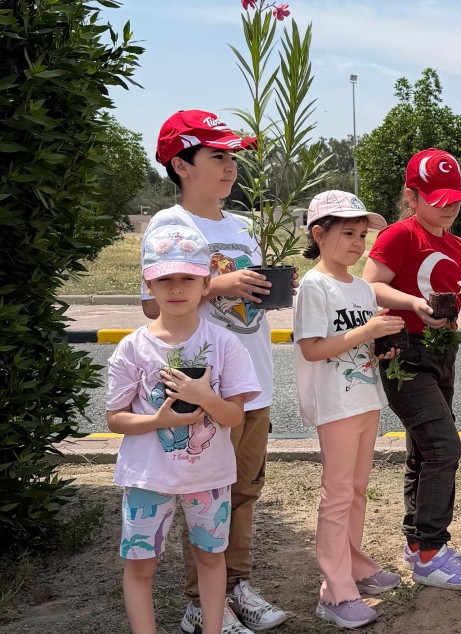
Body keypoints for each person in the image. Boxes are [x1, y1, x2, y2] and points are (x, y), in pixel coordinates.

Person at [143, 110, 289, 632]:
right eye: (216, 155)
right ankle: (200, 603)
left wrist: (262, 294)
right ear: (181, 164)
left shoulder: (243, 228)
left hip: (253, 378)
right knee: (204, 490)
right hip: (200, 381)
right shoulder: (168, 226)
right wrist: (216, 288)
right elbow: (150, 305)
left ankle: (233, 586)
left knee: (244, 488)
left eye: (232, 156)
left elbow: (244, 308)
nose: (230, 166)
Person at [363, 149, 461, 590]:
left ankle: (418, 543)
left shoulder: (460, 247)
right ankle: (431, 553)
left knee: (424, 450)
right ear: (412, 197)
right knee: (445, 448)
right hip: (403, 353)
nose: (448, 208)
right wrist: (413, 303)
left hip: (442, 353)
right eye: (437, 199)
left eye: (454, 201)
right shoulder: (400, 236)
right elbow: (369, 283)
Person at [108, 225, 261, 634]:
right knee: (140, 564)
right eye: (165, 279)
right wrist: (159, 421)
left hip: (207, 477)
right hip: (147, 476)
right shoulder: (132, 347)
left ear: (205, 283)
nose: (176, 289)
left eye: (187, 278)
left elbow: (232, 417)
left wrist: (203, 395)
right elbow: (115, 418)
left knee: (211, 558)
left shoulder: (226, 344)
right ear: (149, 284)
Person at [294, 191, 404, 627]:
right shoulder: (314, 286)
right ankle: (334, 591)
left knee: (356, 489)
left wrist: (381, 345)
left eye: (362, 235)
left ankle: (355, 565)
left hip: (364, 398)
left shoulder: (360, 287)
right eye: (349, 233)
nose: (358, 243)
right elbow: (313, 348)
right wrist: (368, 330)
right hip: (335, 405)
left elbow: (360, 342)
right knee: (337, 494)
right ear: (319, 234)